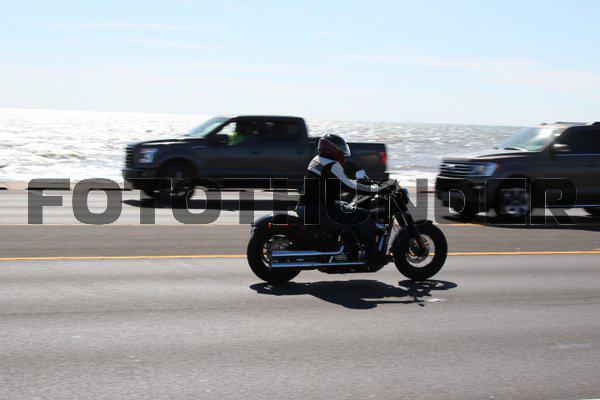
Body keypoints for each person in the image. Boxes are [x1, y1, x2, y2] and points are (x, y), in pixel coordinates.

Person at [297, 133, 390, 265]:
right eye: (341, 148)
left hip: (309, 206)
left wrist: (363, 185)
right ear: (333, 148)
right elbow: (348, 186)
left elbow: (343, 181)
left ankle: (350, 248)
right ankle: (373, 256)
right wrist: (376, 189)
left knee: (347, 207)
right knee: (362, 216)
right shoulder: (331, 164)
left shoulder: (318, 159)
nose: (343, 152)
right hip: (321, 211)